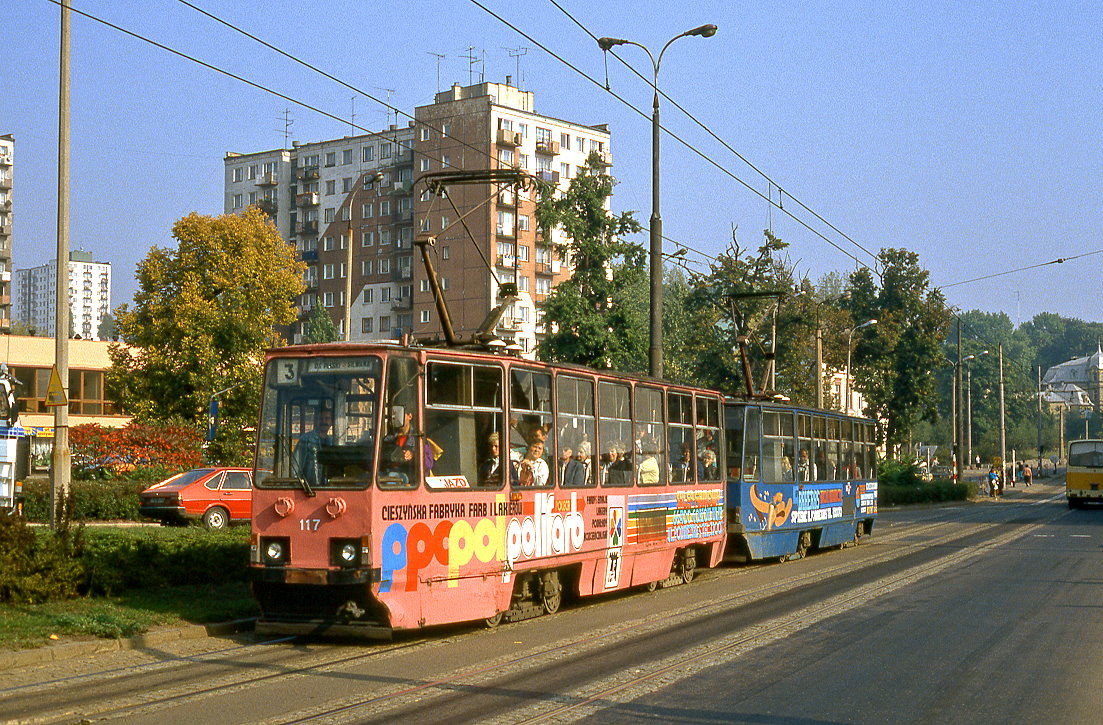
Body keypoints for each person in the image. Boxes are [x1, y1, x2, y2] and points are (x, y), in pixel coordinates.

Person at [292, 408, 333, 488]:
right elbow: (295, 467)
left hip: (327, 490)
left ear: (332, 422)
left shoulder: (332, 442)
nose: (324, 421)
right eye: (321, 419)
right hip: (308, 490)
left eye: (327, 419)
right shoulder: (305, 440)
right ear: (316, 421)